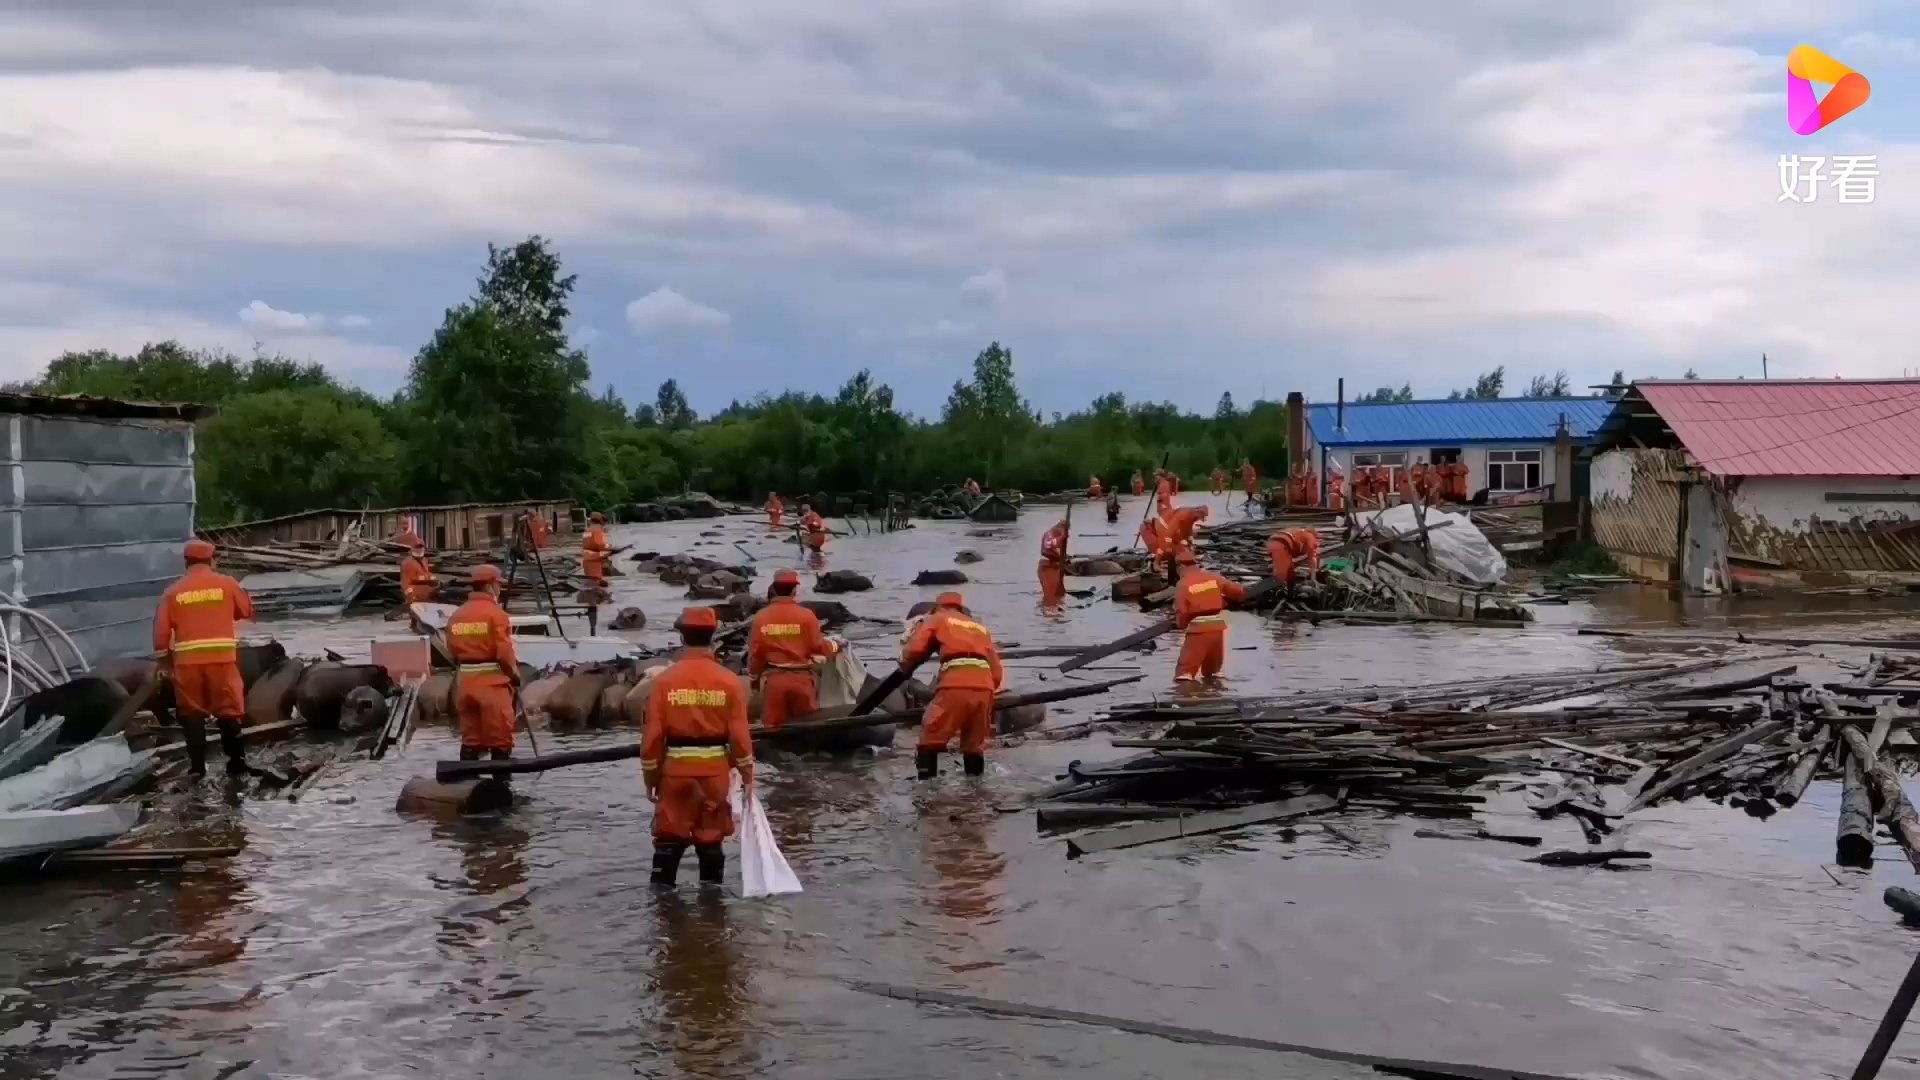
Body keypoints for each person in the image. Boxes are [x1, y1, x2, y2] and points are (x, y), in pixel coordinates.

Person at [642, 607, 754, 887]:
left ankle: (662, 905)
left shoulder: (665, 682)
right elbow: (740, 737)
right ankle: (712, 903)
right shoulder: (729, 682)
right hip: (715, 775)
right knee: (711, 839)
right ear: (713, 636)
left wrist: (651, 779)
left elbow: (652, 739)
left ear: (682, 637)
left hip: (675, 775)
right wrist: (747, 776)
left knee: (668, 838)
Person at [153, 540, 256, 776]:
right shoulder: (227, 584)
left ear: (186, 563)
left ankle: (197, 769)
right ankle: (236, 764)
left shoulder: (172, 592)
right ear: (212, 560)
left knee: (192, 714)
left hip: (187, 665)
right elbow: (246, 611)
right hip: (222, 661)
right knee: (228, 711)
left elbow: (160, 634)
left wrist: (163, 661)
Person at [899, 592, 1004, 779]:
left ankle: (926, 788)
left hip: (955, 684)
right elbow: (997, 672)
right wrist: (985, 689)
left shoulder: (937, 618)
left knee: (930, 738)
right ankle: (976, 788)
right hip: (985, 687)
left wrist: (904, 665)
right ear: (961, 608)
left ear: (938, 607)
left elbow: (915, 649)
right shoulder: (979, 627)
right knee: (974, 745)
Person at [448, 565, 521, 763]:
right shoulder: (497, 615)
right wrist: (514, 675)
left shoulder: (456, 616)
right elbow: (504, 653)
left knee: (471, 739)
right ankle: (501, 779)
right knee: (500, 739)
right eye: (498, 585)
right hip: (492, 686)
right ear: (490, 586)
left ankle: (466, 778)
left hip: (465, 685)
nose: (500, 589)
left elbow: (452, 652)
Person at [747, 570, 838, 729]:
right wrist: (836, 646)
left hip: (775, 682)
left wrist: (754, 681)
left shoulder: (761, 617)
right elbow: (818, 647)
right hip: (802, 681)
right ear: (794, 590)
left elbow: (756, 654)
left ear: (774, 589)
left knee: (773, 729)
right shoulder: (807, 616)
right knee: (808, 728)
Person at [1172, 549, 1246, 683]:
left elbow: (1181, 611)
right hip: (1217, 628)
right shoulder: (1213, 577)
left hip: (1198, 629)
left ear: (1181, 566)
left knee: (1184, 674)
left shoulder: (1183, 584)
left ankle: (1186, 695)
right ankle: (1215, 692)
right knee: (1213, 673)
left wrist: (1181, 625)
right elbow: (1239, 592)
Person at [1038, 514, 1070, 603]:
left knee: (1058, 594)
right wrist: (1062, 536)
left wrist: (1064, 557)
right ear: (1060, 528)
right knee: (1051, 596)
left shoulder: (1058, 536)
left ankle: (1057, 607)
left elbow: (1057, 551)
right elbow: (1048, 545)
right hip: (1047, 567)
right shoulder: (1050, 534)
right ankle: (1050, 609)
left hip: (1054, 567)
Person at [401, 539, 439, 605]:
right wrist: (409, 594)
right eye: (417, 547)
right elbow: (406, 581)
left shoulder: (424, 560)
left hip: (425, 589)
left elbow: (426, 572)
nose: (419, 549)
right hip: (415, 590)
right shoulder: (408, 563)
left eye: (421, 547)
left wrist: (431, 577)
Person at [581, 512, 613, 588]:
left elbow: (588, 544)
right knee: (596, 583)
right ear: (601, 520)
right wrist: (611, 547)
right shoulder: (597, 530)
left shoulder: (588, 530)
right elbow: (601, 545)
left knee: (590, 581)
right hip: (595, 559)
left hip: (587, 559)